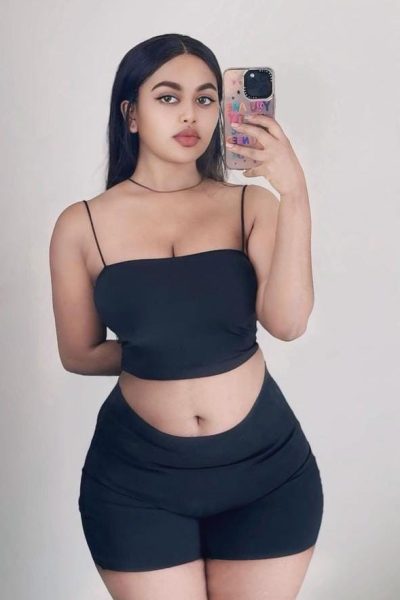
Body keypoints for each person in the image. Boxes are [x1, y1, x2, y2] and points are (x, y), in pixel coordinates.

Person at [49, 33, 324, 600]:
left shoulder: (251, 204)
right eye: (168, 97)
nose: (190, 115)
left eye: (205, 98)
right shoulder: (81, 225)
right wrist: (171, 350)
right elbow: (79, 353)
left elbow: (288, 322)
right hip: (136, 483)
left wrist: (293, 191)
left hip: (266, 474)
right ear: (131, 114)